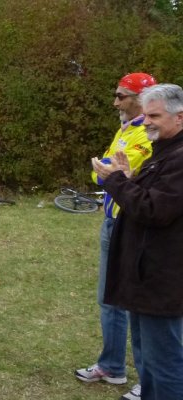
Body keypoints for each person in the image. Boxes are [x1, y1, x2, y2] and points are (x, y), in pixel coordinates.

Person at [92, 83, 183, 400]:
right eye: (145, 115)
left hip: (163, 282)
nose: (146, 122)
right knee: (150, 361)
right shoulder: (165, 153)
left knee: (165, 363)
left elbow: (153, 210)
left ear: (180, 118)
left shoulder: (179, 159)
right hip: (146, 279)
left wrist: (116, 179)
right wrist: (129, 179)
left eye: (154, 115)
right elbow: (151, 200)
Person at [75, 73, 156, 399]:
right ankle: (112, 366)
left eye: (121, 96)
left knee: (136, 305)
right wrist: (105, 172)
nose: (115, 102)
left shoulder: (147, 133)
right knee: (108, 299)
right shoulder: (125, 128)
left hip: (134, 226)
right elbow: (101, 173)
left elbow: (110, 172)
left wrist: (106, 172)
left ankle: (147, 380)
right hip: (111, 221)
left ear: (141, 97)